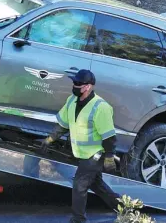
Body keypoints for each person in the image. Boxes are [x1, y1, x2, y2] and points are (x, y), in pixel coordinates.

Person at [40, 69, 121, 223]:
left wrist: (109, 157)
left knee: (79, 185)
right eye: (74, 82)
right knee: (98, 186)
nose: (74, 85)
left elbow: (109, 137)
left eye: (78, 83)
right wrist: (49, 139)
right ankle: (123, 207)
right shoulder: (72, 101)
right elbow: (63, 125)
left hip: (96, 154)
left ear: (88, 86)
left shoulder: (100, 107)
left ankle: (78, 220)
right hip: (82, 154)